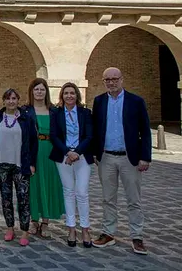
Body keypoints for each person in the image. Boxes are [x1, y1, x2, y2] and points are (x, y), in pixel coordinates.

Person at [91, 67, 151, 255]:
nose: (111, 82)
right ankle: (108, 233)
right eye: (107, 79)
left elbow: (146, 130)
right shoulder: (99, 101)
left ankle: (137, 236)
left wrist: (145, 157)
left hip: (129, 158)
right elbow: (95, 129)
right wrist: (95, 153)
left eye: (115, 79)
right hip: (106, 157)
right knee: (108, 198)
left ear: (122, 79)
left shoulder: (136, 101)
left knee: (134, 199)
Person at [0, 89, 38, 247]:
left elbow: (33, 142)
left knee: (23, 199)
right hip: (2, 164)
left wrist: (32, 164)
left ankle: (24, 231)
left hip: (20, 164)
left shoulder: (26, 118)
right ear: (3, 101)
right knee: (6, 199)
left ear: (18, 100)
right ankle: (9, 228)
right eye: (8, 99)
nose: (11, 101)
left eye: (14, 98)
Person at [49, 82, 93, 248]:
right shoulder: (56, 113)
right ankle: (71, 228)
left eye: (72, 93)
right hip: (63, 156)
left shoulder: (85, 113)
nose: (69, 96)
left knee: (82, 192)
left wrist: (77, 153)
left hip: (82, 156)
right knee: (68, 192)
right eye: (66, 93)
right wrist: (68, 152)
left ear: (77, 95)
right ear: (62, 95)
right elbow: (54, 136)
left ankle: (85, 228)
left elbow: (89, 136)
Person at [23, 78, 64, 239]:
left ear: (46, 92)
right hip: (34, 151)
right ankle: (34, 220)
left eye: (42, 89)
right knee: (33, 185)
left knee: (48, 184)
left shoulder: (54, 111)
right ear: (31, 92)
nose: (39, 92)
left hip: (50, 152)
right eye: (36, 89)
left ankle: (45, 222)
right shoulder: (26, 111)